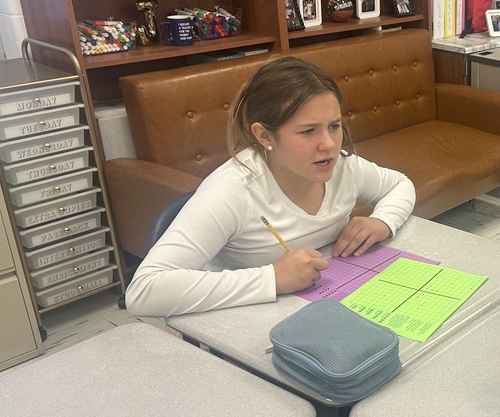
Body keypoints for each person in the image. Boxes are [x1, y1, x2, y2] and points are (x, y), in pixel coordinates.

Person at [126, 57, 415, 317]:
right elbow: (143, 291)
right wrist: (271, 279)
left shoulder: (342, 166)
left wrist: (382, 221)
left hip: (323, 305)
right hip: (243, 320)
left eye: (335, 126)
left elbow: (400, 184)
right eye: (308, 131)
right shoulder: (233, 191)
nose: (328, 144)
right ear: (265, 135)